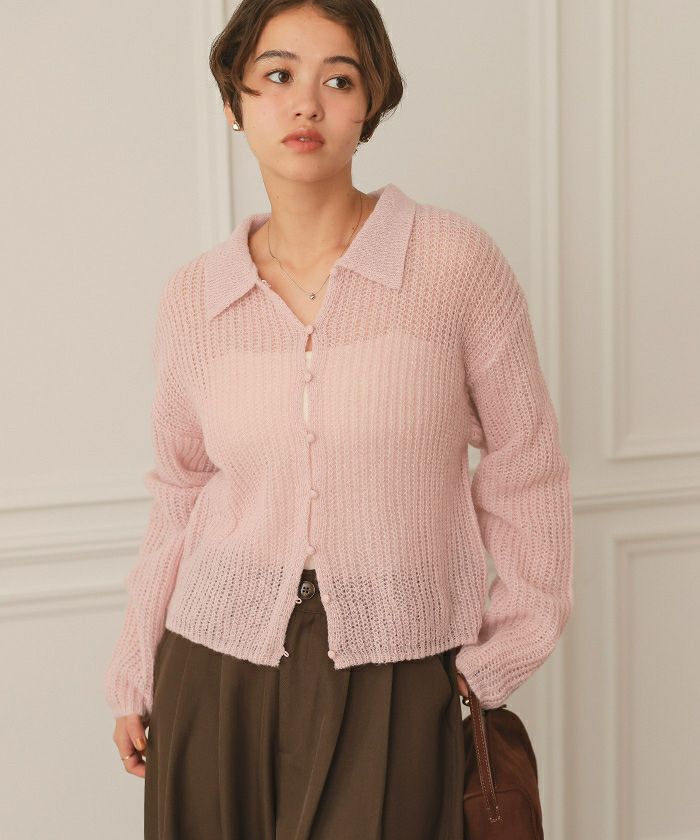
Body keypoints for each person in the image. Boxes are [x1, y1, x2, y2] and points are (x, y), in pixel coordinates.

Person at [104, 1, 574, 837]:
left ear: (371, 102)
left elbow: (526, 463)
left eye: (339, 79)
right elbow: (180, 490)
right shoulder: (195, 298)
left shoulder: (453, 263)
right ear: (235, 100)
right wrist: (136, 668)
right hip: (213, 669)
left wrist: (499, 656)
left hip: (398, 670)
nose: (306, 103)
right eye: (278, 75)